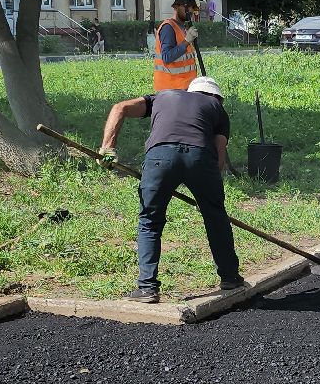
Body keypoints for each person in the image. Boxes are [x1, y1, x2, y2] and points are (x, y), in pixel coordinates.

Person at [98, 75, 241, 304]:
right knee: (216, 218)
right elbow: (219, 154)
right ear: (217, 97)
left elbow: (120, 108)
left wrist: (107, 148)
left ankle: (147, 288)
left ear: (191, 92)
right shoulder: (217, 109)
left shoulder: (161, 97)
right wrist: (210, 195)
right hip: (200, 158)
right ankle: (230, 278)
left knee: (150, 221)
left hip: (160, 158)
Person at [152, 0, 201, 92]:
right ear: (176, 7)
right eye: (187, 7)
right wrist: (186, 41)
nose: (190, 10)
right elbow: (167, 57)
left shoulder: (182, 28)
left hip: (183, 89)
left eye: (193, 7)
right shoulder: (168, 28)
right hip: (171, 91)